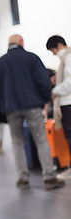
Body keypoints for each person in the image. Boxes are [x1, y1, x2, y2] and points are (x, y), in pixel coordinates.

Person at [0, 34, 65, 190]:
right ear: (21, 42)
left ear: (9, 44)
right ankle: (49, 178)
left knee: (17, 143)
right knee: (41, 140)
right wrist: (45, 100)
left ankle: (23, 179)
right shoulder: (31, 58)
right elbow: (43, 80)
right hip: (32, 106)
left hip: (10, 109)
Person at [46, 35, 71, 179]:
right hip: (67, 102)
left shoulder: (68, 57)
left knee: (70, 135)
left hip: (68, 103)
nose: (54, 54)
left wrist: (55, 90)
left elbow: (69, 82)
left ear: (59, 46)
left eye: (53, 51)